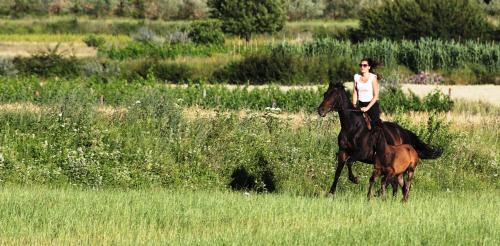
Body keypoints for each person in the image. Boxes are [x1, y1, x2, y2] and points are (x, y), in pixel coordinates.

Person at [352, 58, 382, 128]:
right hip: (361, 105)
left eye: (364, 65)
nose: (362, 67)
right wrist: (353, 105)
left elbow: (376, 96)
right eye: (361, 65)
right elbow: (355, 92)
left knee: (375, 127)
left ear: (369, 67)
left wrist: (367, 108)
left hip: (372, 106)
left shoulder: (373, 78)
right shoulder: (356, 77)